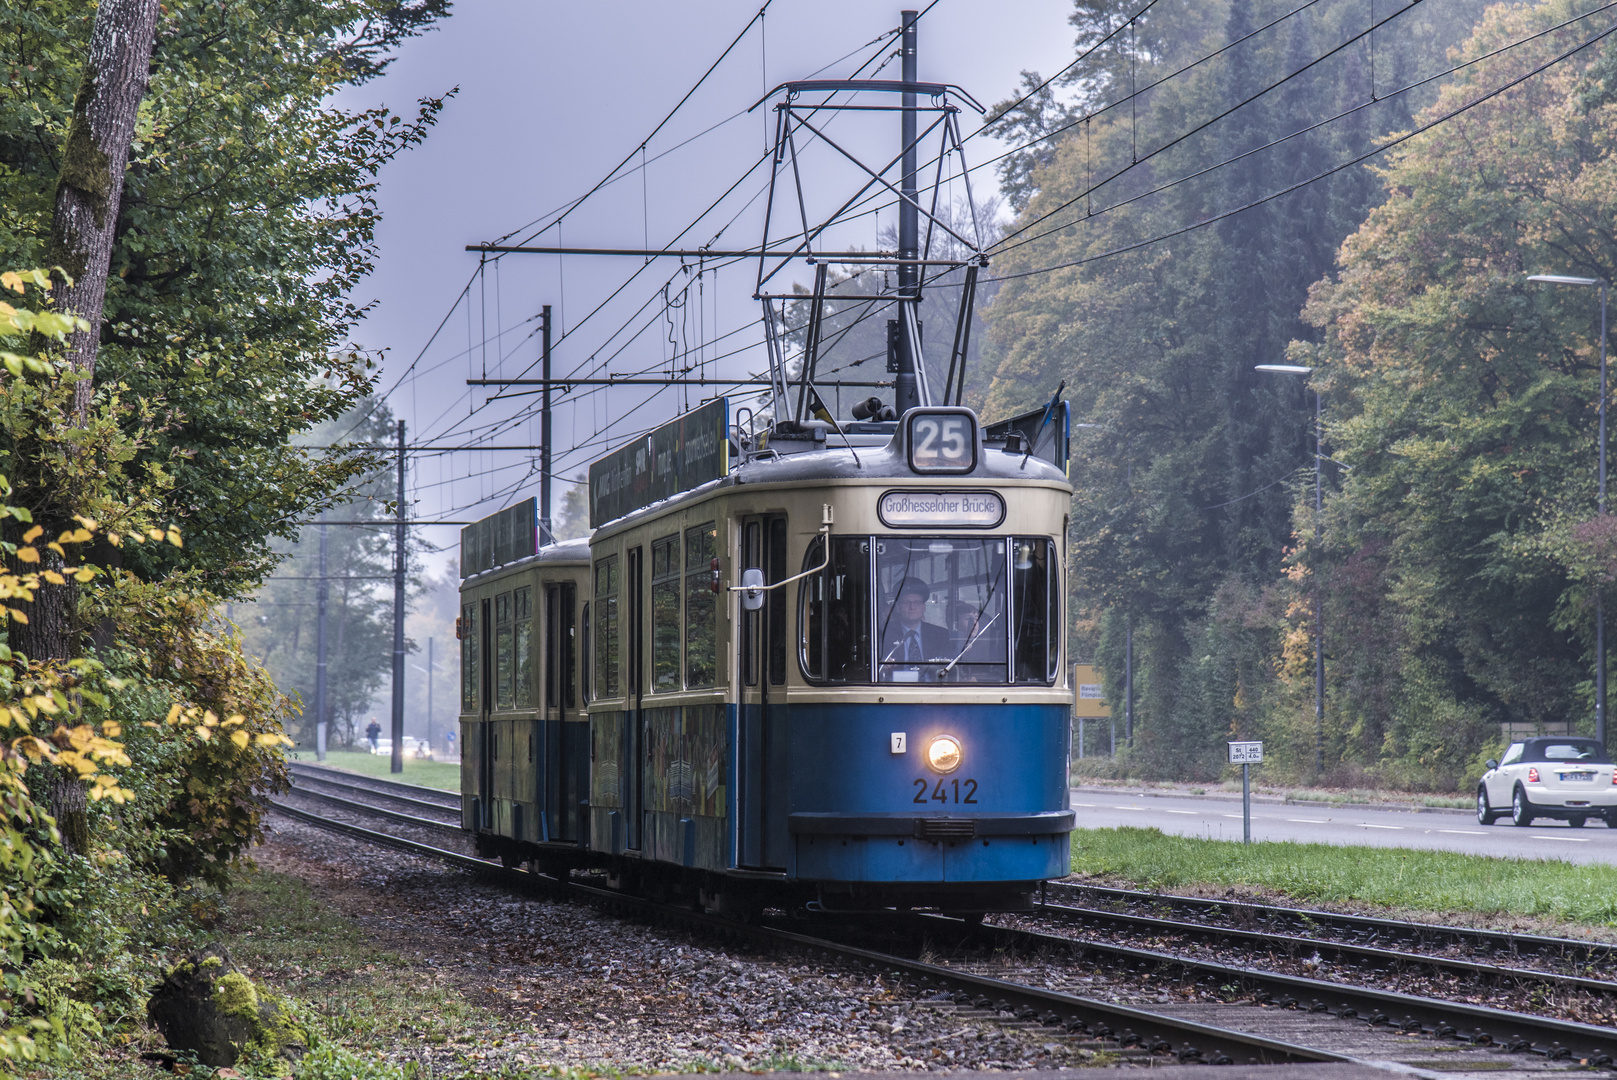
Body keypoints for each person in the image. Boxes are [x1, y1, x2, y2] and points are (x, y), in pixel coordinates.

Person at [880, 577, 951, 677]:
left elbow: (947, 667)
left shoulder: (940, 634)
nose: (912, 607)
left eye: (917, 602)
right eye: (906, 602)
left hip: (932, 687)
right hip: (896, 687)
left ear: (924, 608)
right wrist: (883, 664)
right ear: (897, 607)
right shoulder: (883, 633)